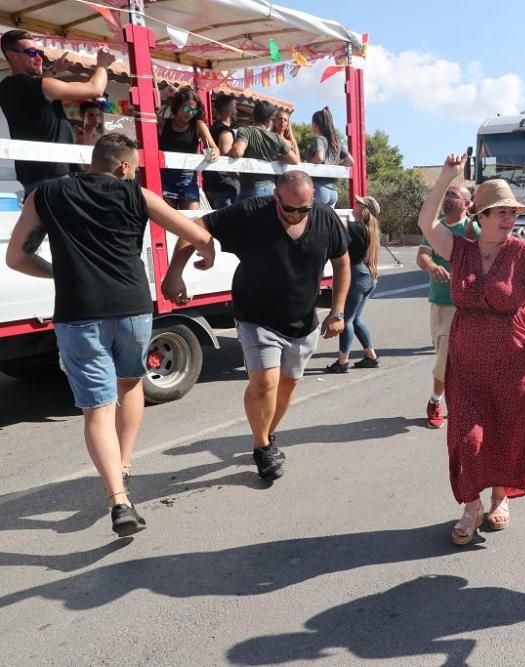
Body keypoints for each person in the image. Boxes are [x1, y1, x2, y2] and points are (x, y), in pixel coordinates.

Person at [5, 133, 215, 536]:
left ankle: (118, 499)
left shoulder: (47, 195)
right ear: (123, 167)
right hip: (133, 309)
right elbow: (199, 235)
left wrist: (57, 272)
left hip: (78, 312)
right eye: (133, 167)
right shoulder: (139, 196)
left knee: (97, 410)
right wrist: (203, 260)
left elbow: (16, 257)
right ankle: (124, 465)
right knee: (131, 383)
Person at [417, 153, 525, 546]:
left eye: (512, 213)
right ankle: (471, 504)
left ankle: (500, 498)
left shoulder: (521, 253)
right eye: (500, 213)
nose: (508, 220)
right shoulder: (461, 250)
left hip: (514, 360)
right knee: (465, 437)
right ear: (479, 216)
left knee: (507, 431)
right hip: (465, 363)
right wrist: (448, 175)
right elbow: (426, 223)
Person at [162, 171, 350, 482]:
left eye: (304, 209)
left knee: (288, 386)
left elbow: (342, 263)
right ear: (276, 196)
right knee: (265, 383)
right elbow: (194, 228)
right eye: (290, 208)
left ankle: (268, 433)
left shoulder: (325, 219)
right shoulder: (252, 213)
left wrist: (338, 311)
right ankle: (261, 446)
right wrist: (175, 273)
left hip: (302, 320)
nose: (297, 215)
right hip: (256, 315)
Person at [0, 30, 115, 195]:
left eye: (39, 52)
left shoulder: (6, 88)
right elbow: (95, 89)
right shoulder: (41, 87)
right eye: (31, 52)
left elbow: (35, 88)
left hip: (32, 177)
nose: (39, 57)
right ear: (12, 56)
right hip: (55, 178)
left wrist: (53, 70)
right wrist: (102, 65)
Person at [415, 183, 479, 429]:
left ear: (467, 204)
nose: (448, 198)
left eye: (454, 195)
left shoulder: (472, 229)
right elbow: (422, 256)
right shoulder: (436, 226)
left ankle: (446, 401)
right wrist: (432, 266)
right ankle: (440, 399)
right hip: (441, 303)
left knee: (455, 358)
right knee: (445, 355)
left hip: (467, 306)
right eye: (447, 194)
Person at [326, 195, 381, 373]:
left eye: (358, 204)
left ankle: (342, 362)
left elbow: (334, 220)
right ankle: (371, 356)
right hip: (366, 276)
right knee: (356, 319)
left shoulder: (354, 227)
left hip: (357, 276)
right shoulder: (368, 229)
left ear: (365, 210)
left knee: (346, 320)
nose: (354, 205)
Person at [158, 88, 219, 210]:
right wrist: (162, 94)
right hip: (165, 178)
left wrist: (214, 153)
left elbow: (214, 148)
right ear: (177, 107)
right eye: (186, 109)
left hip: (188, 178)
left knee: (193, 220)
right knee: (168, 223)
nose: (190, 113)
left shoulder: (198, 126)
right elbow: (143, 112)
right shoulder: (164, 123)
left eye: (194, 110)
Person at [230, 101, 300, 200]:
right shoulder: (276, 138)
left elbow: (237, 152)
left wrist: (226, 152)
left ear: (254, 117)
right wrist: (276, 156)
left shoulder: (245, 131)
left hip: (250, 188)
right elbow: (295, 160)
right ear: (268, 121)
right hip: (270, 188)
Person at [307, 106, 354, 208]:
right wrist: (335, 167)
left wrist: (308, 165)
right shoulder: (337, 143)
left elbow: (319, 158)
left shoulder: (319, 139)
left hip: (319, 188)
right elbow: (350, 161)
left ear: (315, 124)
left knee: (316, 221)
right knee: (327, 222)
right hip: (333, 191)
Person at [203, 93, 240, 209]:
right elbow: (227, 161)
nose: (236, 111)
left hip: (210, 184)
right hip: (225, 186)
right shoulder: (226, 132)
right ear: (229, 109)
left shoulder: (209, 130)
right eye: (235, 107)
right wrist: (242, 178)